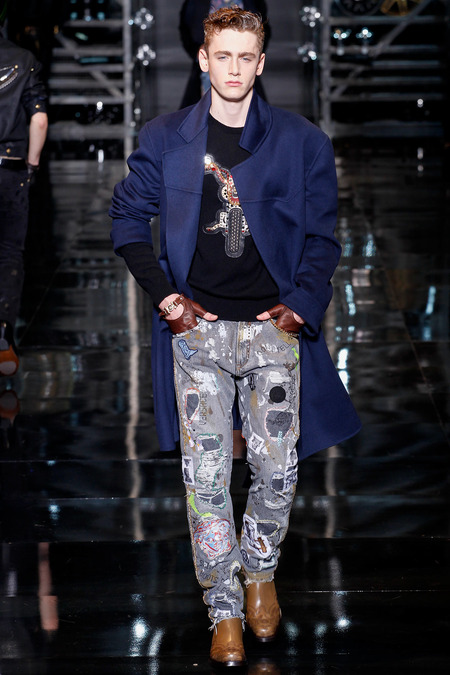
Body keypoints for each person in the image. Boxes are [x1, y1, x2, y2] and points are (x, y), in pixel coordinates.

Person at [110, 7, 361, 667]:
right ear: (203, 58)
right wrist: (167, 299)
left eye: (245, 57)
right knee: (207, 476)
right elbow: (128, 218)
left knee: (277, 469)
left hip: (271, 331)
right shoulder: (167, 137)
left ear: (260, 62)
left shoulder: (303, 142)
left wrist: (298, 306)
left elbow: (323, 237)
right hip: (198, 333)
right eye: (221, 55)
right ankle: (222, 605)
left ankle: (260, 569)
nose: (233, 68)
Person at [0, 0, 48, 376]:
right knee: (9, 255)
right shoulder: (23, 59)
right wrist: (31, 164)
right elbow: (39, 119)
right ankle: (3, 334)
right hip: (10, 168)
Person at [179, 0, 270, 108]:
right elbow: (185, 28)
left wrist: (252, 52)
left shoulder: (253, 2)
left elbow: (264, 29)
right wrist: (196, 50)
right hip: (206, 70)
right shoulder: (195, 3)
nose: (234, 69)